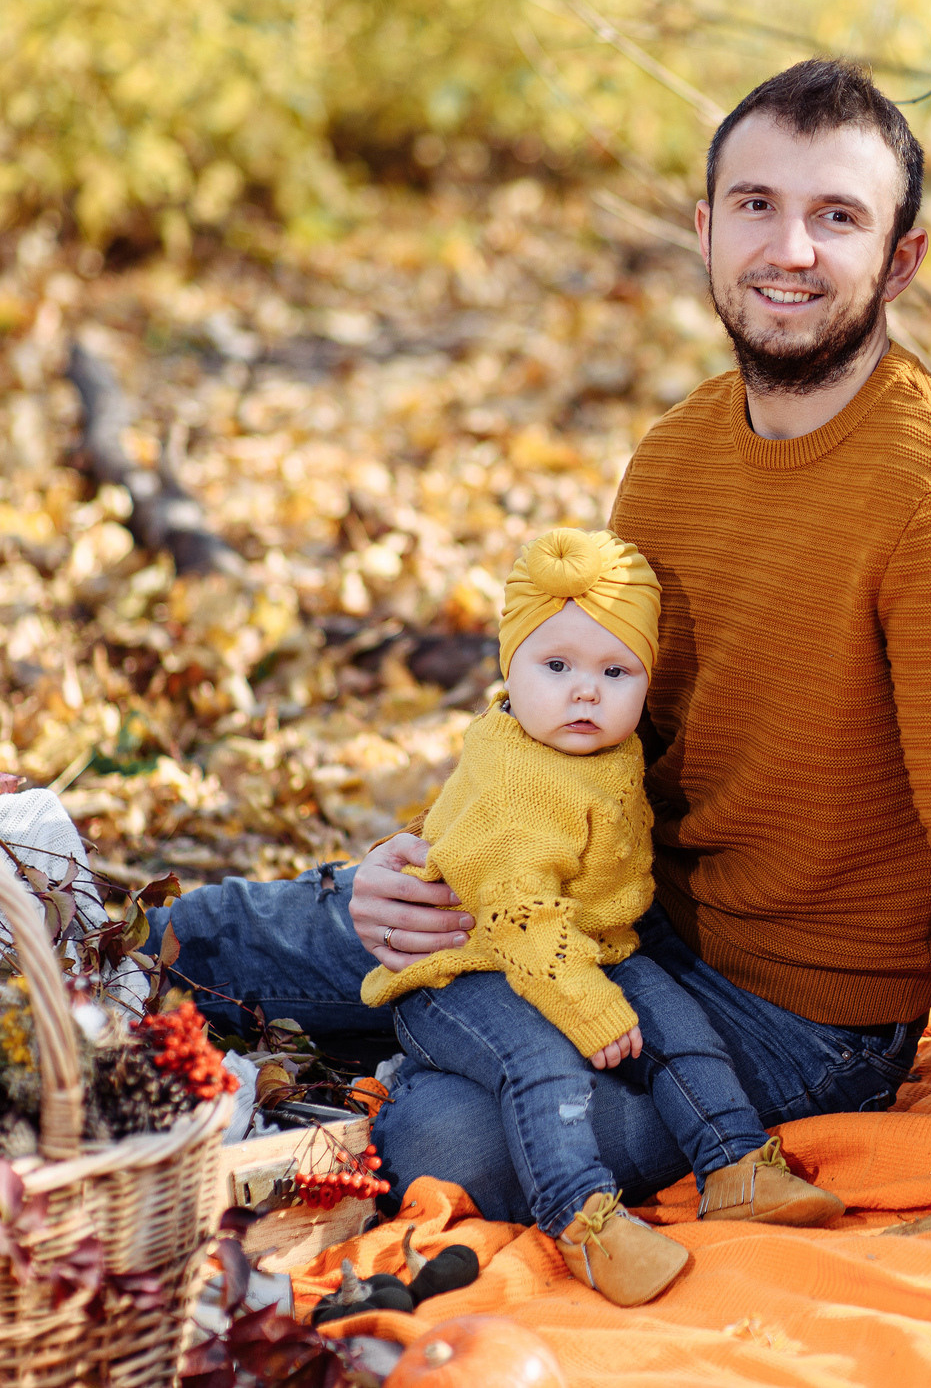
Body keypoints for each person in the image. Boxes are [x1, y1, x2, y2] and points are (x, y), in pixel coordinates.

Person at [154, 58, 931, 1233]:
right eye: (756, 205)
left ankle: (435, 1047)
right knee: (204, 935)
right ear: (704, 228)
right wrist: (443, 855)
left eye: (835, 217)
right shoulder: (676, 453)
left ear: (899, 259)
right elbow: (578, 723)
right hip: (595, 908)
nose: (787, 249)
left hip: (790, 1014)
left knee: (448, 1140)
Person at [359, 528, 841, 1306]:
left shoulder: (595, 749)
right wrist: (588, 1005)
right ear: (507, 667)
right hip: (460, 970)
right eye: (557, 666)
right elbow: (518, 917)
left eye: (616, 671)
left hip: (583, 942)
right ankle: (582, 1220)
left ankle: (736, 1162)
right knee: (542, 1062)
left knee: (679, 1025)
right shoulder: (518, 783)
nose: (586, 690)